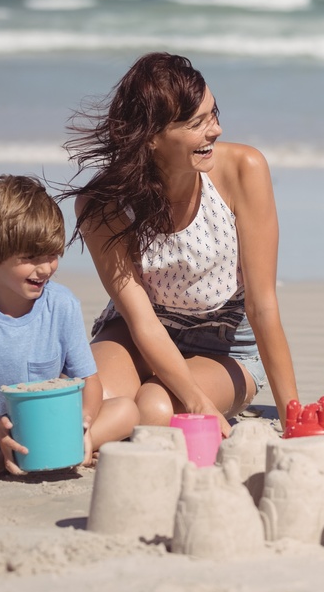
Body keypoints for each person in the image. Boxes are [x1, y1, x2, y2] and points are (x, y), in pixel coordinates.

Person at [63, 53, 298, 437]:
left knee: (155, 409)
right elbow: (142, 322)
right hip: (138, 332)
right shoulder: (101, 206)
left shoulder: (244, 170)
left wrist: (294, 421)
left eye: (214, 113)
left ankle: (95, 438)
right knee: (81, 403)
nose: (216, 130)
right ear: (152, 137)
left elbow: (262, 306)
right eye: (196, 123)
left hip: (225, 348)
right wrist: (199, 404)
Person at [0, 175, 139, 475]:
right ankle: (3, 458)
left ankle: (51, 451)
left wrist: (85, 424)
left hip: (54, 428)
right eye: (30, 257)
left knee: (126, 409)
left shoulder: (63, 305)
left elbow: (89, 381)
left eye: (52, 254)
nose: (45, 268)